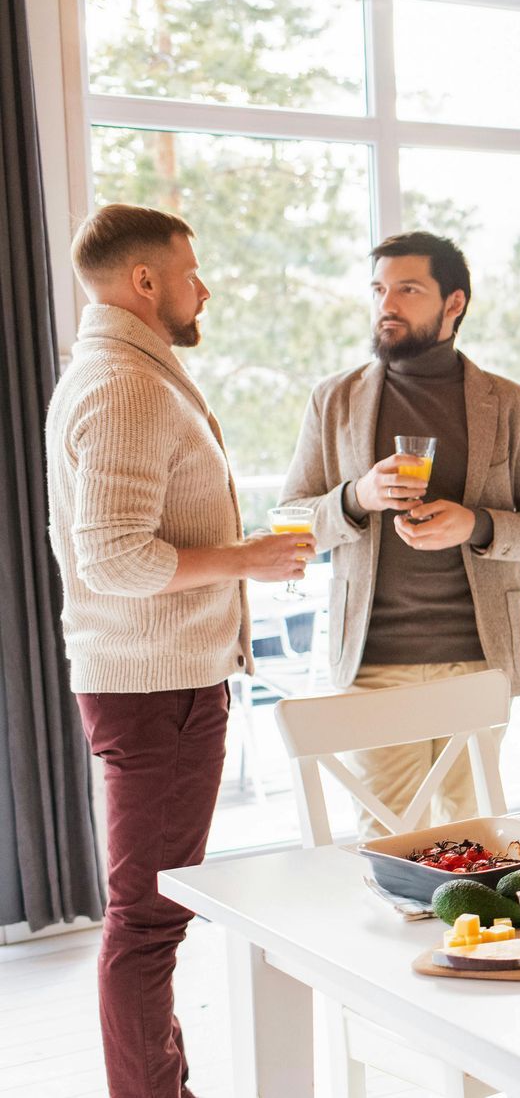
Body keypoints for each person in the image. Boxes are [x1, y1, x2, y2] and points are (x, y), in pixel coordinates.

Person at [46, 203, 312, 1097]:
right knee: (148, 922)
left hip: (166, 684)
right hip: (156, 692)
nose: (206, 287)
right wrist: (247, 560)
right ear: (145, 281)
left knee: (149, 916)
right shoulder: (123, 382)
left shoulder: (125, 372)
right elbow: (114, 558)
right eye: (191, 270)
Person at [280, 231, 520, 836]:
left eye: (408, 289)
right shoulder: (334, 400)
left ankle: (468, 937)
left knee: (474, 839)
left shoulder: (511, 405)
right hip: (374, 662)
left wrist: (478, 523)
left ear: (454, 303)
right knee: (387, 842)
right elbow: (290, 517)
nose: (388, 303)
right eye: (380, 288)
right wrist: (356, 497)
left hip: (478, 659)